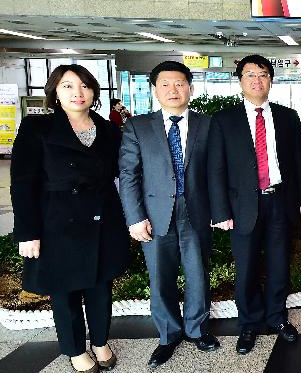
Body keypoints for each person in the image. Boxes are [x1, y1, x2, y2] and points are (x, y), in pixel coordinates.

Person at [11, 64, 129, 373]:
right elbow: (22, 182)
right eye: (68, 86)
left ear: (94, 92)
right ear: (55, 92)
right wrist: (27, 232)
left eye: (85, 86)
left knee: (101, 286)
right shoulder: (37, 127)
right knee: (64, 291)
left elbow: (123, 174)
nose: (78, 92)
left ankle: (100, 342)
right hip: (56, 222)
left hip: (103, 218)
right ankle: (75, 349)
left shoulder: (108, 130)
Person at [118, 61, 219, 369]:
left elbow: (217, 172)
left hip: (197, 212)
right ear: (154, 90)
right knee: (160, 276)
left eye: (179, 83)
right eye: (165, 84)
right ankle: (167, 335)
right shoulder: (138, 126)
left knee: (198, 272)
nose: (173, 90)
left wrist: (219, 211)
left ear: (190, 88)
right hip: (154, 213)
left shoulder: (208, 124)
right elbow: (129, 174)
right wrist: (134, 217)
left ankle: (197, 329)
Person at [207, 55, 301, 354]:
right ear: (240, 81)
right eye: (250, 74)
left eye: (263, 74)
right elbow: (215, 168)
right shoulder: (224, 120)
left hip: (280, 200)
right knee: (247, 267)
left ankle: (277, 318)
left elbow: (298, 162)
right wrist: (220, 211)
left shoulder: (288, 117)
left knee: (279, 264)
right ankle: (249, 324)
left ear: (270, 80)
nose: (257, 80)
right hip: (242, 206)